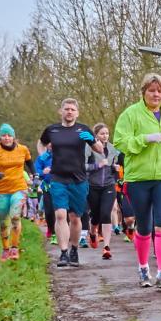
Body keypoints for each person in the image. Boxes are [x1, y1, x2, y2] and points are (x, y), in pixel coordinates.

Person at [112, 73, 161, 289]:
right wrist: (143, 140)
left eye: (160, 91)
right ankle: (143, 267)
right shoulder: (131, 114)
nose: (156, 94)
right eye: (152, 90)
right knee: (144, 226)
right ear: (143, 92)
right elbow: (120, 141)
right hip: (138, 177)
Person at [39, 98, 96, 268]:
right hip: (58, 178)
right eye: (66, 109)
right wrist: (43, 155)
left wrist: (92, 140)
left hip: (78, 179)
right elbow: (41, 142)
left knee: (75, 218)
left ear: (77, 113)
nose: (69, 112)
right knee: (60, 215)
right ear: (61, 111)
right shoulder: (52, 130)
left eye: (72, 109)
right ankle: (63, 253)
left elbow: (99, 149)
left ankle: (74, 249)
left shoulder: (83, 129)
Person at [0, 124, 34, 261]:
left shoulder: (23, 149)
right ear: (0, 137)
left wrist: (36, 175)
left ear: (14, 137)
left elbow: (30, 164)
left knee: (15, 216)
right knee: (3, 221)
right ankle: (5, 249)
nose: (7, 138)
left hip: (19, 188)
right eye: (4, 135)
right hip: (1, 191)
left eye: (9, 135)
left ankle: (14, 248)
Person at [86, 123, 120, 261]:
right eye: (102, 134)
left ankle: (106, 247)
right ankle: (93, 233)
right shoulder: (89, 148)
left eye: (106, 133)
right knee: (95, 216)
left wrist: (114, 168)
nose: (105, 136)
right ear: (96, 135)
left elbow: (112, 166)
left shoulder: (112, 149)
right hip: (92, 185)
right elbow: (83, 166)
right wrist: (97, 165)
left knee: (106, 214)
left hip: (108, 185)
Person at [36, 147, 56, 244]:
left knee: (63, 211)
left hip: (62, 186)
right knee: (49, 211)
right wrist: (42, 172)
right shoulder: (43, 156)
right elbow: (37, 170)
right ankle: (51, 228)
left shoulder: (62, 153)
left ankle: (57, 233)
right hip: (47, 187)